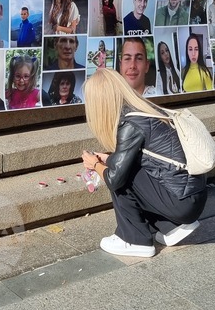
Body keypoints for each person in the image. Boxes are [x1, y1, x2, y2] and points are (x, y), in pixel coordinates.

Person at [81, 69, 207, 258]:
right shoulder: (143, 111)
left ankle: (134, 240)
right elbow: (146, 160)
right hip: (192, 196)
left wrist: (95, 165)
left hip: (182, 201)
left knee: (119, 176)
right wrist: (107, 158)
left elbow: (115, 179)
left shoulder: (130, 124)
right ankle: (171, 227)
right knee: (122, 168)